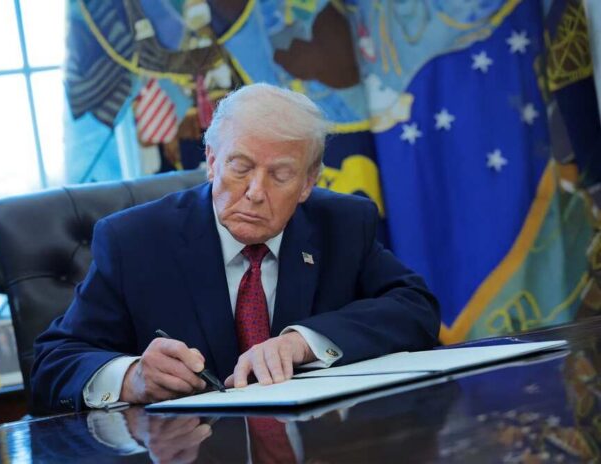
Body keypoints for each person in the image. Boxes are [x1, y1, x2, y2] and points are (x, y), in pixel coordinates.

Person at [32, 83, 440, 412]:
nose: (255, 193)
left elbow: (415, 308)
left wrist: (305, 342)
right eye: (240, 167)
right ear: (211, 162)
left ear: (308, 183)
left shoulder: (343, 224)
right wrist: (132, 377)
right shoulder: (135, 241)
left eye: (280, 175)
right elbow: (54, 363)